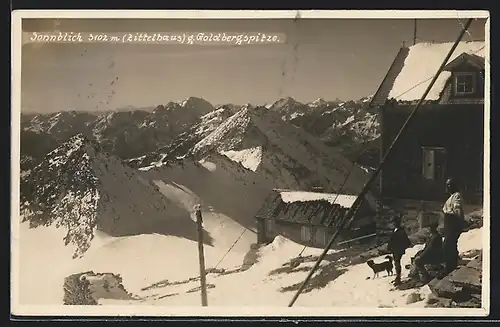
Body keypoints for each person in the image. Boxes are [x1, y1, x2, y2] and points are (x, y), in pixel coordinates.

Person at [442, 178, 466, 274]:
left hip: (453, 224)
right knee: (449, 246)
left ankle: (450, 268)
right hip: (449, 224)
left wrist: (459, 222)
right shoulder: (450, 197)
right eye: (447, 185)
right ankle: (450, 266)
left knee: (450, 245)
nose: (448, 187)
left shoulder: (456, 196)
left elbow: (458, 210)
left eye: (449, 185)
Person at [387, 215, 412, 286]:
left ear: (397, 223)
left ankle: (398, 279)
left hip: (398, 250)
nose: (393, 224)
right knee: (396, 263)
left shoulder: (401, 231)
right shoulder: (395, 230)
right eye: (393, 222)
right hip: (394, 250)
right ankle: (397, 277)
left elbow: (407, 241)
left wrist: (401, 247)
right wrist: (389, 247)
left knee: (397, 263)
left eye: (395, 222)